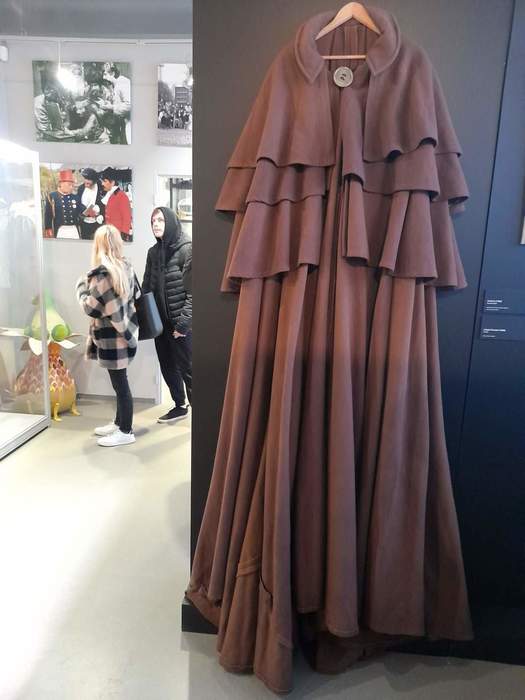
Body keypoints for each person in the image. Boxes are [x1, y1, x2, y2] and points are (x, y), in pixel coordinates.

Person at [76, 224, 140, 447]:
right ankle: (119, 422)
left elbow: (90, 308)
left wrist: (81, 287)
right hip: (125, 334)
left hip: (111, 339)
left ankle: (126, 431)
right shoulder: (127, 268)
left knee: (120, 385)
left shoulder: (102, 276)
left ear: (99, 245)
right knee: (120, 382)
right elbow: (136, 295)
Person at [143, 207, 192, 423]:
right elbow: (146, 287)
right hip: (160, 324)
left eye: (160, 220)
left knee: (189, 369)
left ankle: (201, 417)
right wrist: (148, 320)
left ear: (171, 222)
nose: (156, 224)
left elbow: (194, 292)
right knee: (167, 366)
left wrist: (183, 325)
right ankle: (180, 406)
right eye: (153, 220)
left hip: (181, 324)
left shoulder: (187, 249)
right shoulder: (153, 252)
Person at [44, 169, 81, 239]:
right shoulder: (52, 196)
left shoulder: (76, 197)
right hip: (60, 230)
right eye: (69, 184)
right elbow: (48, 215)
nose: (71, 187)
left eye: (72, 185)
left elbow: (81, 211)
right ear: (61, 184)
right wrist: (48, 228)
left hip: (74, 230)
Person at [100, 167, 132, 242]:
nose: (102, 184)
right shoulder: (109, 194)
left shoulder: (122, 196)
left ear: (112, 182)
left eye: (105, 181)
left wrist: (123, 236)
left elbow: (127, 218)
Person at [77, 168, 105, 240]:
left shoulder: (101, 187)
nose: (86, 184)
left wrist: (101, 215)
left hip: (98, 221)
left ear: (94, 181)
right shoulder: (81, 188)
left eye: (88, 182)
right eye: (85, 181)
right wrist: (90, 212)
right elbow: (79, 204)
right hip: (84, 221)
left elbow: (103, 202)